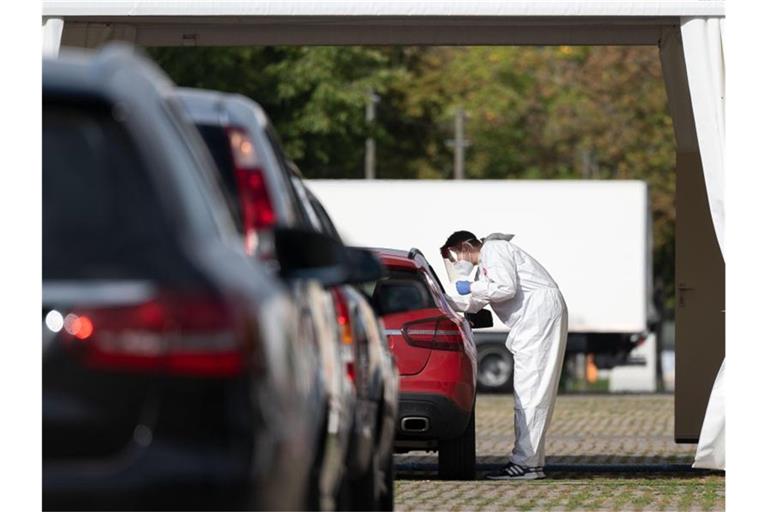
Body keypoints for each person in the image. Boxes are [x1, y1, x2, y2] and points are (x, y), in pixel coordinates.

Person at [440, 231, 568, 480]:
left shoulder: (493, 250)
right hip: (536, 316)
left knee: (530, 390)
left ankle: (526, 464)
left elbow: (504, 288)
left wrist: (470, 286)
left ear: (466, 246)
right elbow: (475, 302)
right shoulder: (488, 263)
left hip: (539, 315)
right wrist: (444, 300)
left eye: (456, 255)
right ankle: (530, 463)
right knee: (530, 390)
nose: (456, 263)